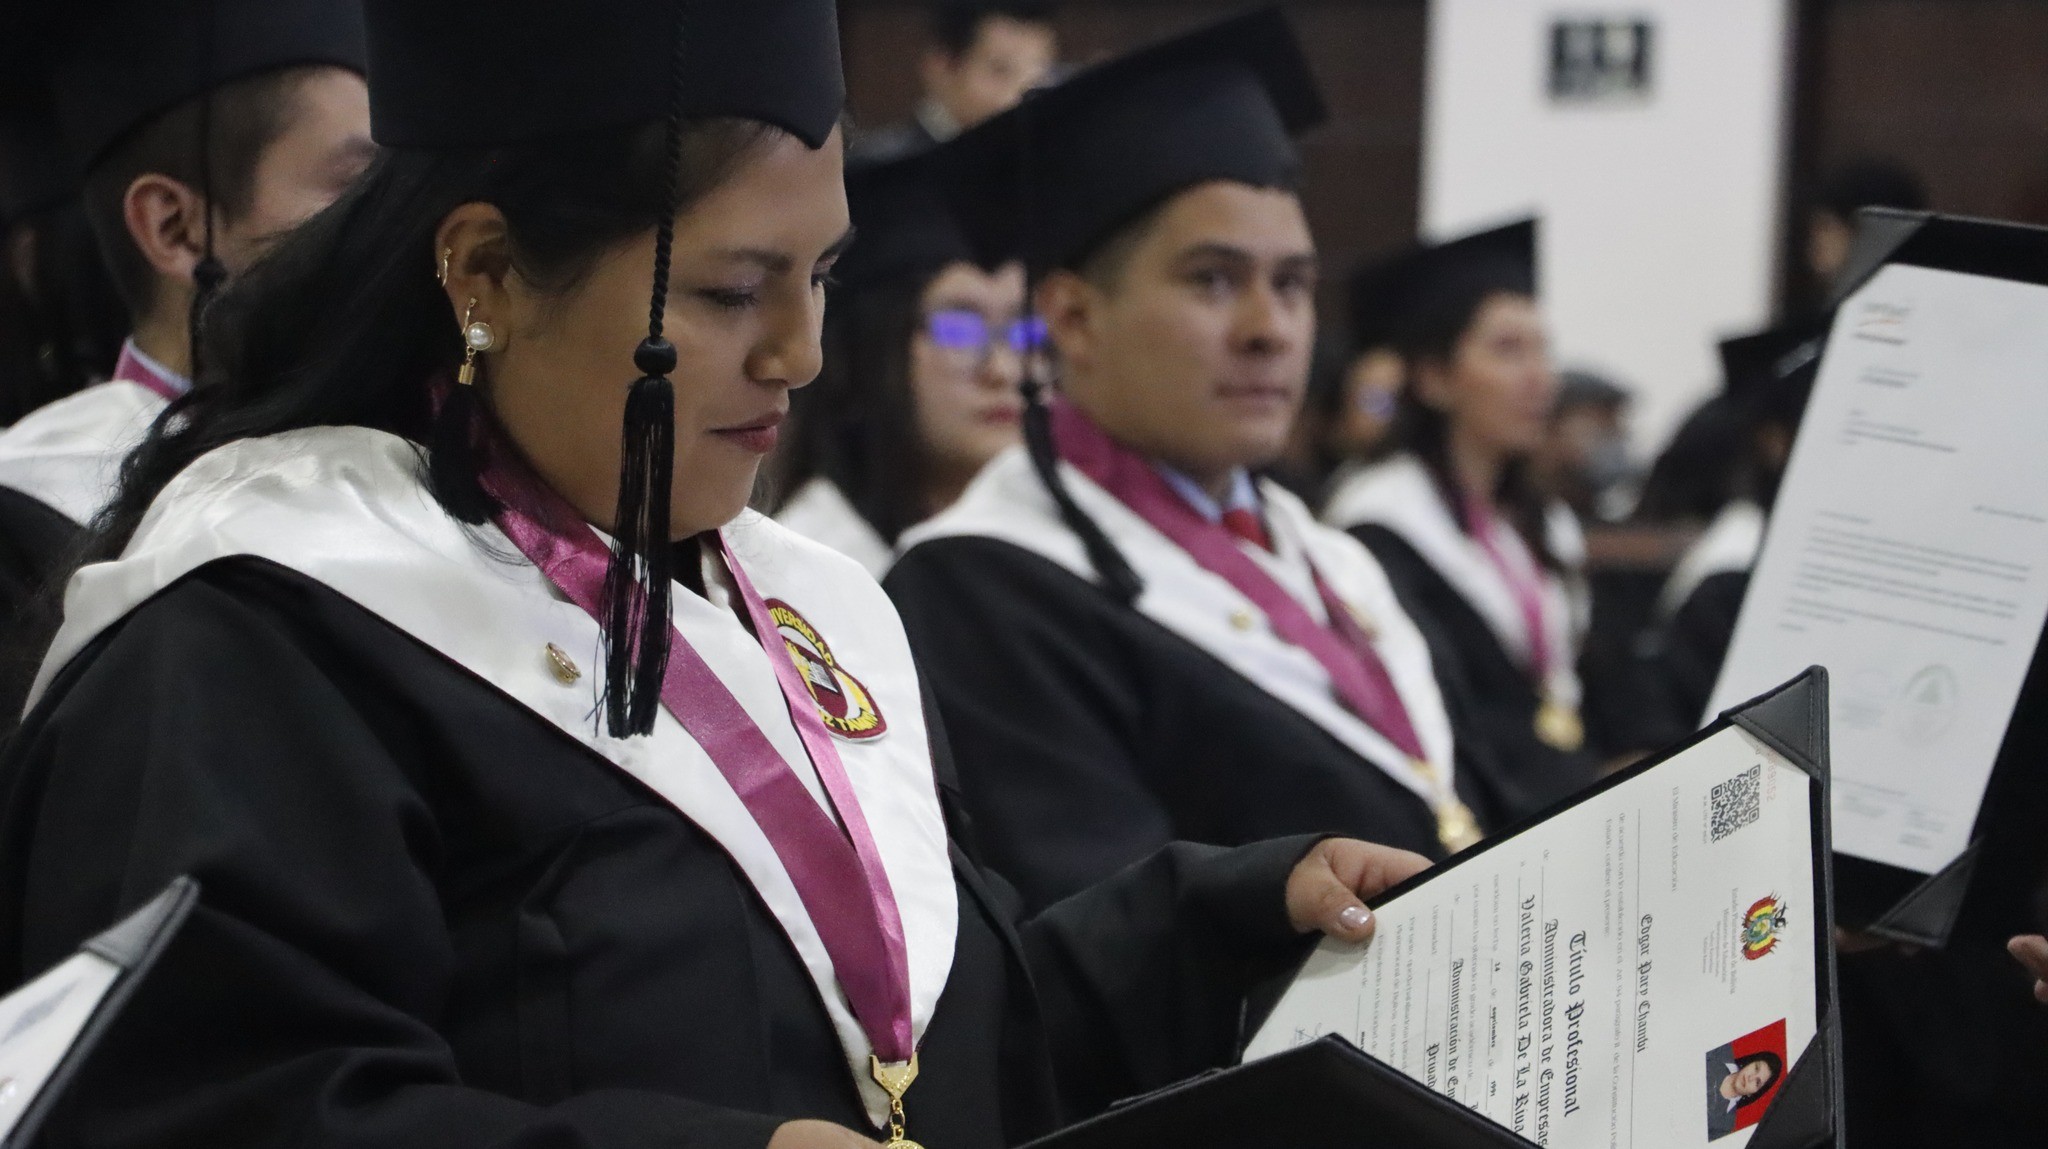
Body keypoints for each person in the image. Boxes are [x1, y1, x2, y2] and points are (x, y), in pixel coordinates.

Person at [0, 3, 1431, 1145]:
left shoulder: (796, 603)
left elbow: (900, 1049)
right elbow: (212, 1105)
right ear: (485, 273)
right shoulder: (266, 629)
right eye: (734, 292)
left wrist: (1227, 927)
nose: (801, 353)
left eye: (822, 278)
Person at [888, 8, 1503, 913]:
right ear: (1073, 319)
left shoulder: (1333, 561)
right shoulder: (981, 591)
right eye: (1213, 279)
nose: (1269, 330)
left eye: (1292, 283)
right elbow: (1096, 945)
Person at [0, 0, 372, 635]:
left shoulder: (425, 459)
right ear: (173, 228)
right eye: (354, 190)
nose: (398, 231)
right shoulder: (29, 525)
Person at [1322, 220, 1600, 819]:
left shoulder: (1541, 522)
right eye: (1507, 350)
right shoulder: (1378, 524)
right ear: (1433, 378)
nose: (1539, 377)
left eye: (1541, 348)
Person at [772, 152, 1028, 578]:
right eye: (958, 329)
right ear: (869, 354)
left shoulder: (1061, 554)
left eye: (1025, 332)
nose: (1004, 370)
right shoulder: (804, 574)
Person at [849, 0, 1058, 164]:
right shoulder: (879, 173)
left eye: (1042, 72)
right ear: (942, 66)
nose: (1026, 92)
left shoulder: (1044, 173)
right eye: (1000, 70)